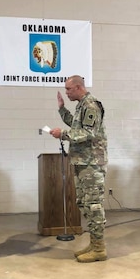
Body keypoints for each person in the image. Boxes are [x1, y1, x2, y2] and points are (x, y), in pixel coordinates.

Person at [50, 75, 108, 263]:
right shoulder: (81, 105)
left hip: (91, 164)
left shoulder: (91, 105)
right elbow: (76, 125)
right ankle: (94, 242)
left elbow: (88, 132)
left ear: (78, 87)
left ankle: (99, 248)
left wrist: (63, 134)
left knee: (93, 204)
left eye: (68, 89)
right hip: (82, 163)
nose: (66, 93)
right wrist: (61, 109)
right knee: (84, 203)